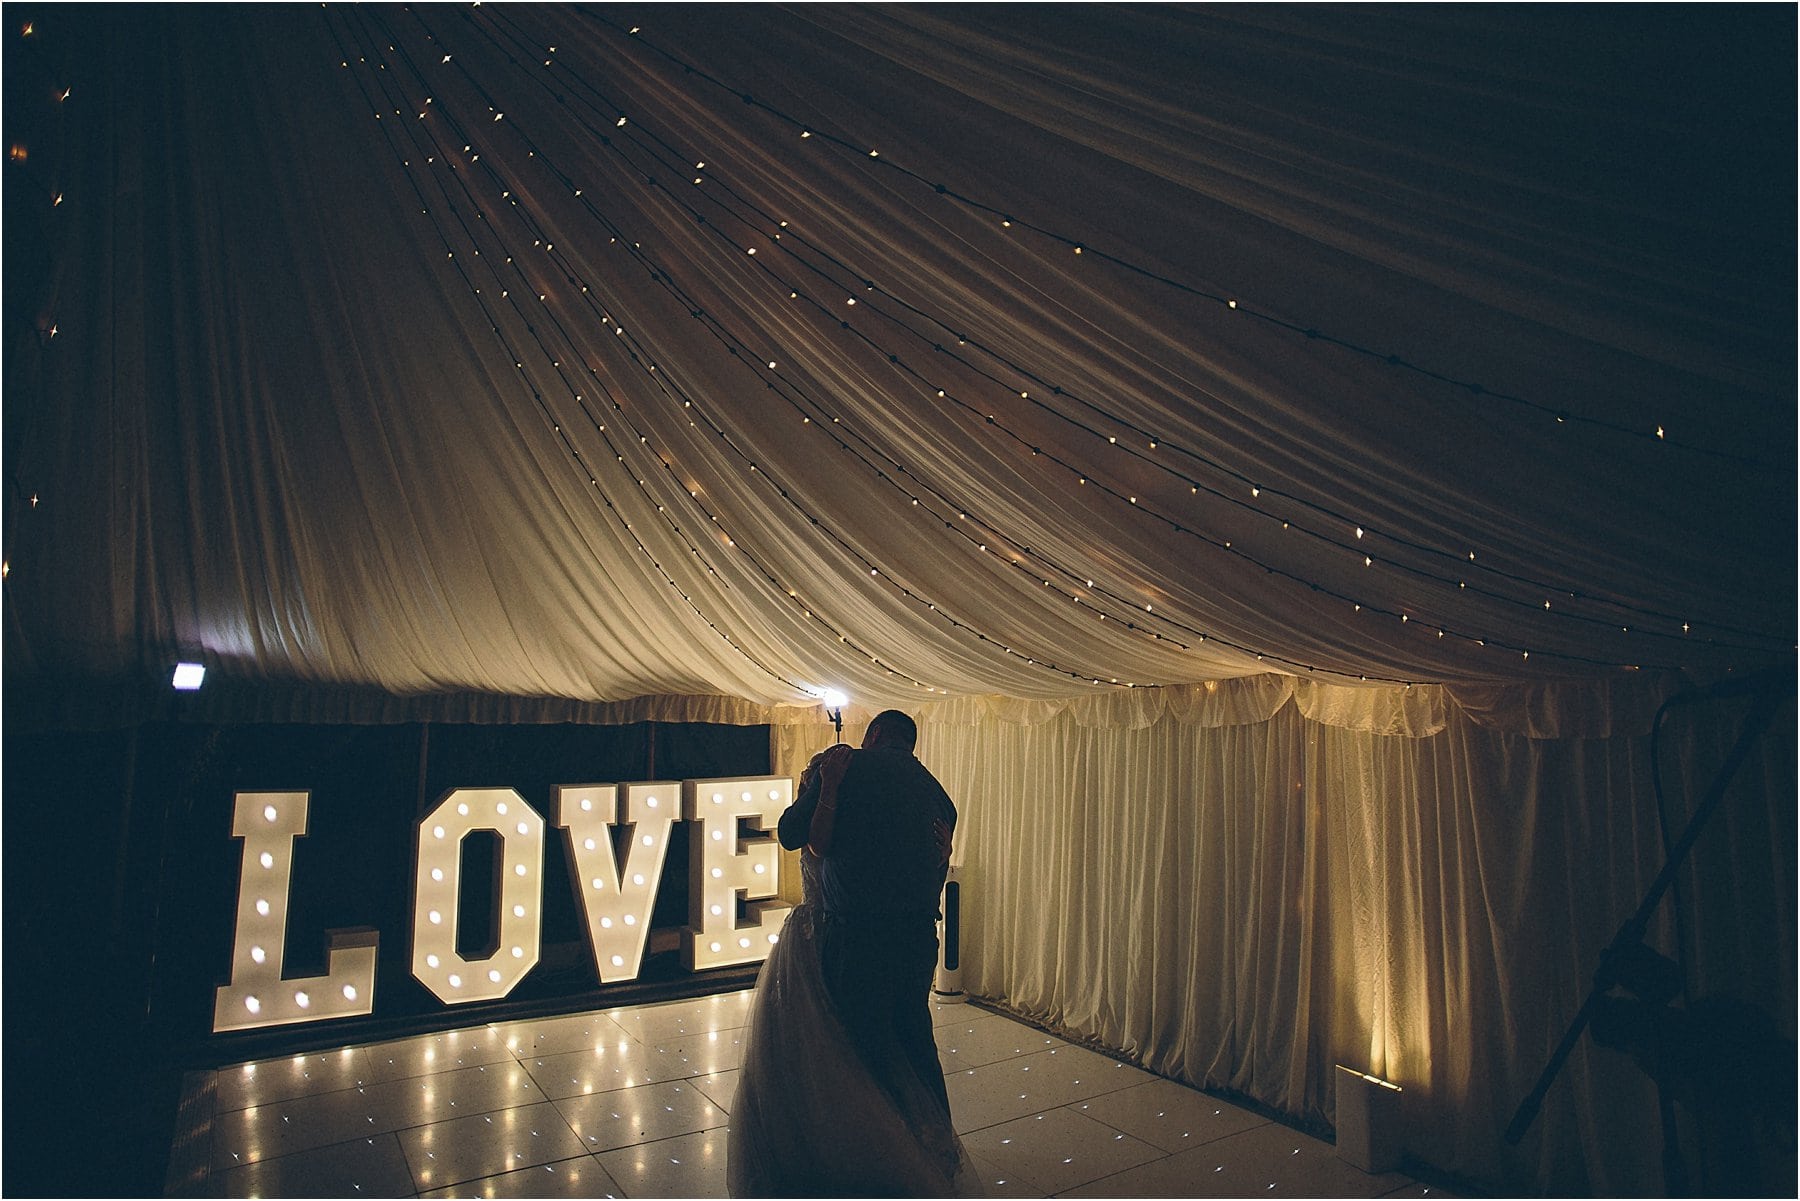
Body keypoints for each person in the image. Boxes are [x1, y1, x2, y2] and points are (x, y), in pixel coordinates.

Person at [728, 710, 975, 1197]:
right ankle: (933, 1149)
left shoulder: (841, 766)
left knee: (853, 1050)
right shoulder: (939, 795)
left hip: (856, 936)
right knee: (914, 1041)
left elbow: (792, 834)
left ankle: (863, 1164)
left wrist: (823, 785)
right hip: (917, 939)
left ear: (876, 734)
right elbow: (935, 864)